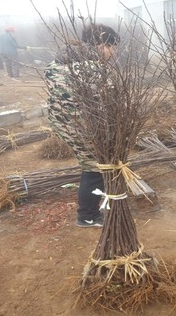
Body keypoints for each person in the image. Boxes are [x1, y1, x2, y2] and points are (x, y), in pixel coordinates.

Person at [44, 24, 120, 228]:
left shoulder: (57, 63)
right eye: (112, 48)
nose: (112, 54)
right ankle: (87, 216)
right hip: (85, 126)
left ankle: (101, 204)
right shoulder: (93, 67)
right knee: (94, 169)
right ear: (102, 44)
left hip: (65, 123)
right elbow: (109, 102)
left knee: (93, 166)